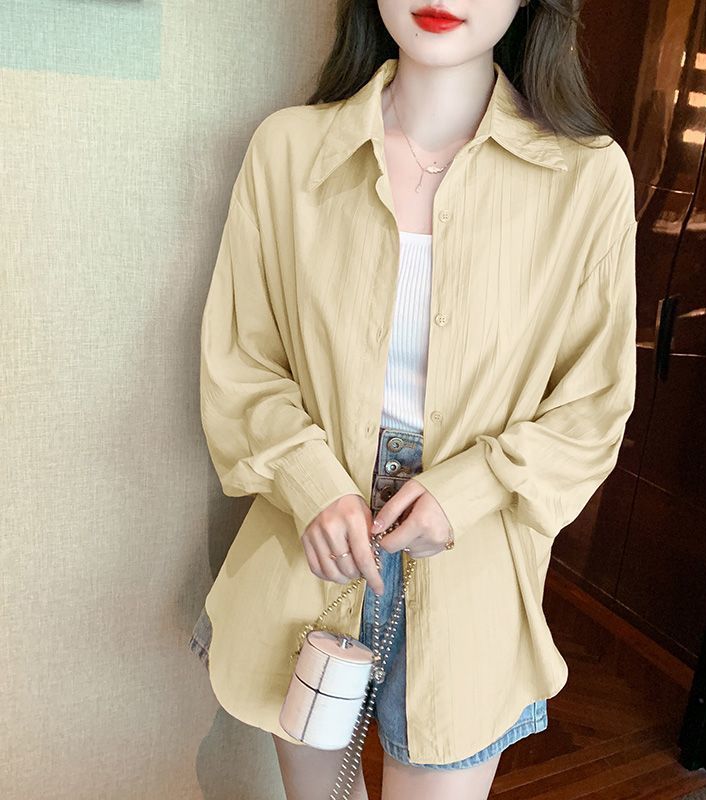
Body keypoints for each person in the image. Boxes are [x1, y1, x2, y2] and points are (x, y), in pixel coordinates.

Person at [189, 1, 639, 798]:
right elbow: (242, 363)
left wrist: (468, 489)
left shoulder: (586, 176)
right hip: (309, 552)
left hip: (473, 568)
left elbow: (592, 407)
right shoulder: (287, 151)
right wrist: (312, 482)